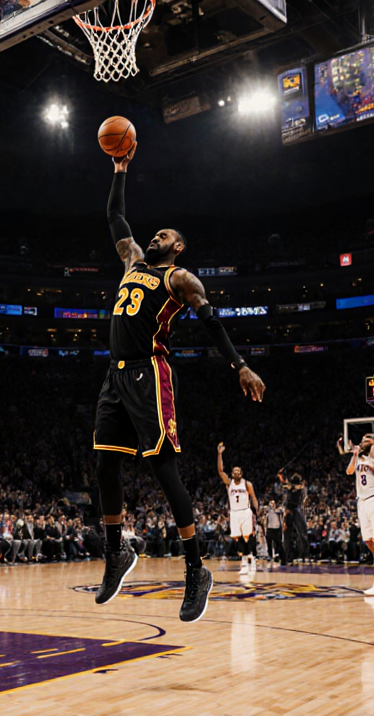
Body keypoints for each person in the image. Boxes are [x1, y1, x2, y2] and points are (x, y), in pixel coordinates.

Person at [91, 142, 266, 623]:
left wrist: (240, 366)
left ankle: (195, 570)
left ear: (178, 247)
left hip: (150, 372)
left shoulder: (180, 279)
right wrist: (120, 169)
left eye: (164, 235)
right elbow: (114, 214)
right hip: (115, 374)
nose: (155, 237)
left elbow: (212, 324)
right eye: (154, 233)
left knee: (163, 471)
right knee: (104, 468)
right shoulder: (131, 261)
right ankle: (117, 552)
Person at [343, 436, 374, 601]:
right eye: (362, 439)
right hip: (362, 501)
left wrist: (371, 456)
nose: (363, 440)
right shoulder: (359, 458)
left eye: (367, 439)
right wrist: (355, 455)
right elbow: (349, 471)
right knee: (369, 542)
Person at [216, 442, 260, 576]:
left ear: (241, 473)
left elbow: (253, 497)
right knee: (237, 538)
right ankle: (249, 556)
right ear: (232, 473)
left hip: (245, 511)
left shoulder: (247, 484)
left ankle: (245, 562)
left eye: (238, 471)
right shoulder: (229, 483)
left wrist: (256, 511)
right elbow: (220, 471)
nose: (236, 473)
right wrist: (219, 454)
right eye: (234, 471)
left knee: (247, 537)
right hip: (234, 513)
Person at [277, 470, 308, 563]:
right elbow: (284, 483)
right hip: (290, 510)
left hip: (295, 509)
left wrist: (280, 476)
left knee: (300, 533)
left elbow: (286, 483)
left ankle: (302, 555)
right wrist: (280, 475)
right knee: (289, 534)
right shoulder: (296, 486)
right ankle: (289, 556)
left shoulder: (298, 487)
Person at [263, 500, 285, 565]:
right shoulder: (268, 511)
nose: (272, 504)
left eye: (273, 503)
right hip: (270, 529)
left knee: (279, 544)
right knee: (269, 544)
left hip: (277, 529)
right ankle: (270, 556)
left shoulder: (278, 511)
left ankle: (282, 557)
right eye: (271, 503)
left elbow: (282, 516)